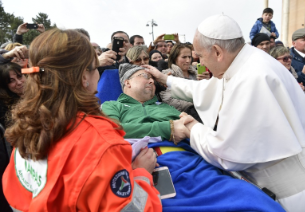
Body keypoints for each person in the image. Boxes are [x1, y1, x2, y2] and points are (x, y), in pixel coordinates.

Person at [144, 14, 305, 212]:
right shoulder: (245, 61)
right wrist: (166, 80)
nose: (200, 62)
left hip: (294, 194)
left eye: (200, 56)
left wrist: (192, 128)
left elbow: (228, 151)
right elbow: (206, 89)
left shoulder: (251, 78)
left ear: (217, 52)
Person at [2, 28, 162, 212]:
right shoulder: (101, 141)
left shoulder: (26, 124)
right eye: (96, 67)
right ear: (84, 76)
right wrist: (141, 173)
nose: (99, 74)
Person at [101, 63, 285, 212]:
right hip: (147, 164)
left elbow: (191, 128)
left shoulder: (166, 108)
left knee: (251, 198)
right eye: (144, 76)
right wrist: (168, 127)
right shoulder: (111, 106)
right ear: (127, 83)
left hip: (190, 161)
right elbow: (112, 130)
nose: (151, 81)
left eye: (152, 79)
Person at [160, 43, 209, 113]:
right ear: (174, 58)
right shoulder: (167, 75)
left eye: (189, 57)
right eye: (184, 57)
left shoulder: (197, 74)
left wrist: (207, 82)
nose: (188, 60)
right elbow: (169, 99)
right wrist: (198, 104)